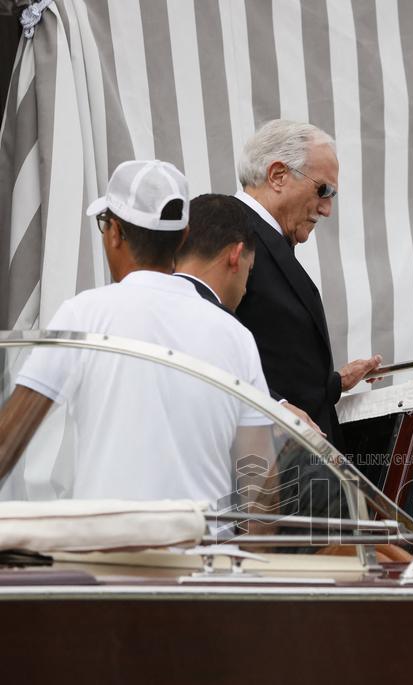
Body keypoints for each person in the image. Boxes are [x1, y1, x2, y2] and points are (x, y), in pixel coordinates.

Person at [0, 160, 272, 502]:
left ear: (114, 232)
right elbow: (262, 485)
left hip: (110, 551)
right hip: (205, 551)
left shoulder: (83, 315)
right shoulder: (236, 336)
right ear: (183, 237)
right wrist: (238, 555)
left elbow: (7, 441)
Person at [234, 119, 382, 449]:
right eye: (323, 190)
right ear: (277, 176)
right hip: (263, 468)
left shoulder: (261, 234)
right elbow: (199, 342)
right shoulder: (226, 226)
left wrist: (333, 382)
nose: (327, 208)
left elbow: (270, 356)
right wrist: (274, 407)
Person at [173, 193, 320, 433]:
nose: (243, 289)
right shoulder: (226, 328)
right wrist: (278, 409)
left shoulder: (130, 303)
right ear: (235, 255)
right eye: (249, 271)